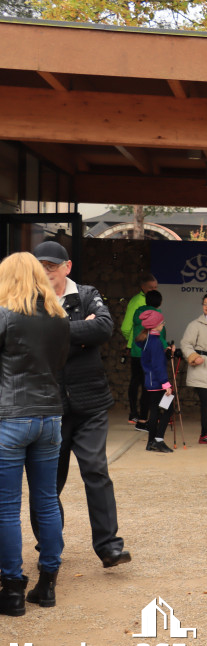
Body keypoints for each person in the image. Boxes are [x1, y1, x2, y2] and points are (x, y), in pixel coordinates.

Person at [31, 242, 131, 569]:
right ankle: (49, 545)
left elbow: (103, 328)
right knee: (48, 482)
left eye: (53, 265)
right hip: (49, 407)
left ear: (67, 267)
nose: (47, 270)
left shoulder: (88, 294)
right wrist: (78, 334)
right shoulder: (29, 301)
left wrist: (55, 334)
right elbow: (30, 340)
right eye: (41, 265)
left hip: (90, 403)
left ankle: (109, 547)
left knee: (95, 470)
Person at [0, 252, 69, 616]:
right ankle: (48, 584)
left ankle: (12, 589)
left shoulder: (5, 316)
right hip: (50, 417)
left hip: (11, 417)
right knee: (45, 500)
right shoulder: (59, 318)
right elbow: (57, 365)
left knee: (7, 508)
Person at [180, 294, 207, 447]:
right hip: (201, 367)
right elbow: (186, 344)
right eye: (205, 303)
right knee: (206, 402)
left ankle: (206, 433)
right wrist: (193, 356)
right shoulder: (195, 325)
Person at [122, 272, 158, 425]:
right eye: (151, 287)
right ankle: (134, 413)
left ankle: (143, 414)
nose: (154, 290)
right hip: (138, 348)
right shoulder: (137, 301)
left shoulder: (150, 301)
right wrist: (131, 341)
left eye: (156, 287)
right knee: (136, 381)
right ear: (142, 287)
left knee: (143, 382)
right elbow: (125, 327)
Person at [129, 289, 167, 432]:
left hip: (136, 352)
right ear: (160, 302)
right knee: (148, 389)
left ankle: (135, 415)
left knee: (135, 383)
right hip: (150, 355)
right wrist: (167, 348)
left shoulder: (138, 313)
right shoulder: (156, 316)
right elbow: (160, 337)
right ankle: (144, 420)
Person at [138, 310, 175, 454]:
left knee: (154, 411)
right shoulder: (155, 342)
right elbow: (158, 365)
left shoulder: (147, 339)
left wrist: (164, 351)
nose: (163, 325)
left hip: (151, 381)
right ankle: (158, 440)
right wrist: (166, 384)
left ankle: (151, 442)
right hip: (159, 383)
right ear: (155, 326)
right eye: (161, 323)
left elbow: (153, 359)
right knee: (168, 410)